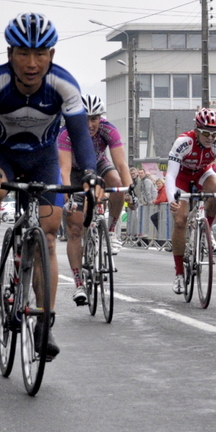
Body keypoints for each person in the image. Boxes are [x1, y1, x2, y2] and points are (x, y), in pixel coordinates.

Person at [0, 13, 101, 360]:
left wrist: (89, 172)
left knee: (49, 233)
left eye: (40, 54)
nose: (31, 63)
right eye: (23, 53)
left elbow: (80, 136)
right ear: (10, 53)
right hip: (0, 155)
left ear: (52, 55)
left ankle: (45, 323)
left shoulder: (65, 85)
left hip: (42, 159)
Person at [58, 94, 132, 306]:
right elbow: (63, 170)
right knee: (74, 228)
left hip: (98, 164)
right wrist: (66, 198)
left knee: (116, 182)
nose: (90, 124)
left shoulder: (108, 129)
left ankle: (111, 230)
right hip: (74, 171)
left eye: (94, 118)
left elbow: (122, 165)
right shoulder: (66, 133)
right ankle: (79, 283)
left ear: (101, 118)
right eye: (85, 118)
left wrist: (129, 190)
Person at [166, 108, 216, 294]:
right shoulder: (184, 142)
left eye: (214, 134)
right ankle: (179, 274)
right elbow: (170, 174)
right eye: (206, 133)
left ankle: (208, 230)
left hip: (202, 173)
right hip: (181, 177)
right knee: (180, 220)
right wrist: (171, 200)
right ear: (197, 130)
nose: (210, 138)